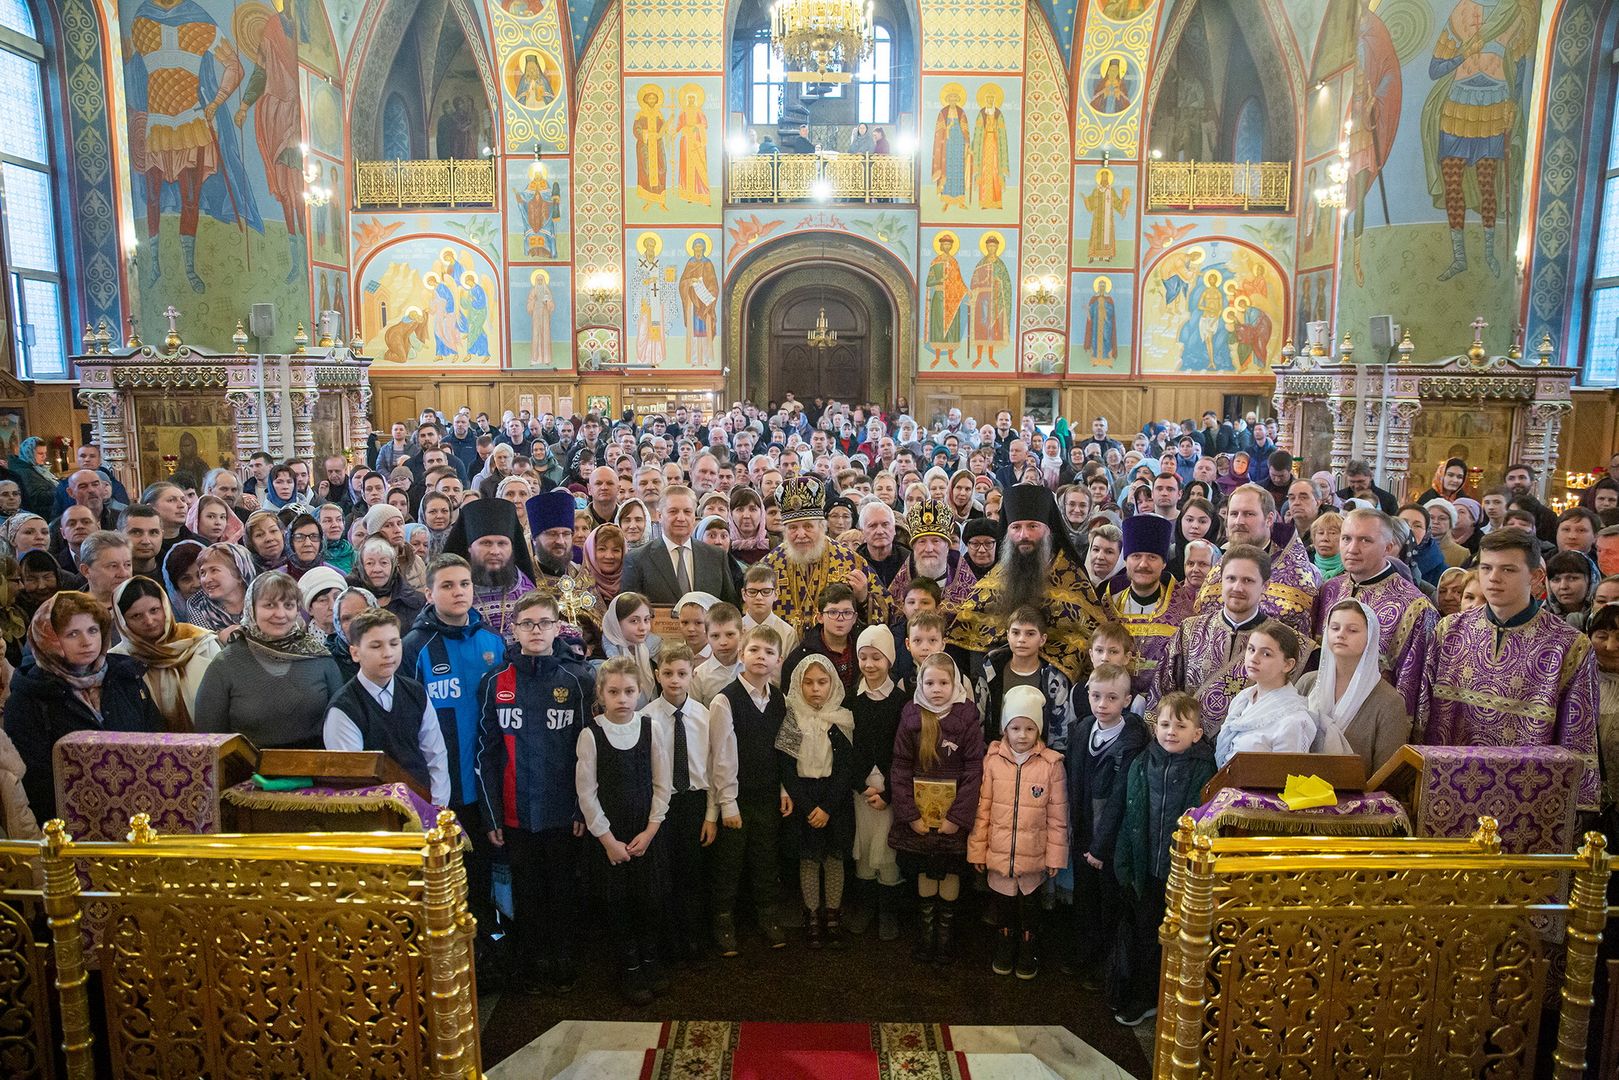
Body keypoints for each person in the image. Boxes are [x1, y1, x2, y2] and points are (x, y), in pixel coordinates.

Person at [1420, 528, 1600, 811]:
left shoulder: (1569, 646)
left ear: (1536, 577)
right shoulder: (1450, 630)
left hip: (1529, 802)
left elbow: (1578, 735)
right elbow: (1423, 713)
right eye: (1486, 568)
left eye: (1508, 569)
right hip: (1447, 791)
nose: (1493, 578)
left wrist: (1578, 807)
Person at [475, 590, 594, 994]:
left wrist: (582, 809)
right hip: (515, 811)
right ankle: (532, 961)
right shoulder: (495, 682)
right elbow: (485, 754)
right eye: (527, 624)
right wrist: (490, 816)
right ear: (514, 630)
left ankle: (563, 959)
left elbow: (588, 754)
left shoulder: (578, 679)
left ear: (558, 626)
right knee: (526, 890)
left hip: (564, 811)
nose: (537, 630)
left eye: (545, 622)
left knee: (563, 886)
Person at [5, 591, 163, 822]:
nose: (86, 641)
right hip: (69, 823)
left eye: (92, 630)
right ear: (49, 639)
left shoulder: (126, 678)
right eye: (72, 634)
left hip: (140, 814)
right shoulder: (28, 696)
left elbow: (157, 740)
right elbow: (36, 779)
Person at [1111, 692, 1216, 1027]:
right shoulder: (1143, 763)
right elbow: (1131, 818)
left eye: (1181, 726)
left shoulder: (1204, 770)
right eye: (1165, 723)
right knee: (1144, 935)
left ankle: (1168, 1000)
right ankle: (1141, 996)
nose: (1171, 731)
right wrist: (1124, 864)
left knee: (1177, 941)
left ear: (1196, 734)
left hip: (1180, 875)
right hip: (1147, 871)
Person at [576, 656, 672, 1005]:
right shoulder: (591, 735)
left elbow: (662, 784)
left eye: (629, 691)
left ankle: (650, 957)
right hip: (611, 838)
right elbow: (587, 793)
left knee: (650, 899)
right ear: (601, 694)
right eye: (613, 692)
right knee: (619, 903)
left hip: (645, 832)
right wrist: (607, 839)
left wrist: (651, 830)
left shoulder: (651, 728)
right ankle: (629, 966)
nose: (622, 699)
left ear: (640, 692)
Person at [950, 484, 1109, 681]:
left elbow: (1092, 640)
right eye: (1016, 527)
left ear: (1048, 530)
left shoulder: (1073, 580)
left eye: (1032, 527)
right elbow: (965, 631)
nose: (1023, 535)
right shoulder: (993, 580)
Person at [889, 652, 984, 964]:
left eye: (944, 682)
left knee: (950, 869)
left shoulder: (966, 718)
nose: (937, 688)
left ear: (955, 684)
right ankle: (927, 933)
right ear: (920, 683)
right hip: (919, 815)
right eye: (929, 682)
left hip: (952, 815)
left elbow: (974, 770)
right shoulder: (910, 717)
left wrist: (957, 817)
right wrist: (910, 815)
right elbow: (900, 767)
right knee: (926, 868)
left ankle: (945, 936)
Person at [969, 683, 1068, 981]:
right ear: (1005, 729)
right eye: (1015, 728)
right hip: (999, 856)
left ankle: (1028, 948)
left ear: (1038, 730)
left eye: (1029, 728)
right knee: (1004, 908)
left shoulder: (1051, 765)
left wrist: (1055, 856)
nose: (1022, 735)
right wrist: (977, 849)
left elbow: (1058, 817)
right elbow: (982, 810)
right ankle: (1004, 943)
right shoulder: (993, 761)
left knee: (1030, 910)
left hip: (1033, 860)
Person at [706, 624, 789, 954]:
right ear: (741, 654)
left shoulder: (780, 698)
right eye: (754, 650)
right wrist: (727, 803)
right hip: (737, 798)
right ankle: (723, 919)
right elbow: (721, 756)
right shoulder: (725, 701)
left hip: (768, 793)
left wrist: (784, 788)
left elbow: (784, 748)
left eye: (769, 652)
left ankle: (767, 915)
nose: (761, 657)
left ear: (778, 659)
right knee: (730, 863)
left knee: (765, 859)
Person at [193, 572, 346, 749]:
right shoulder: (225, 664)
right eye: (269, 605)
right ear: (251, 608)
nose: (280, 614)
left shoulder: (319, 657)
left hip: (315, 770)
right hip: (248, 771)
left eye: (288, 605)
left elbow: (340, 725)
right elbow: (209, 739)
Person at [1067, 660, 1148, 984]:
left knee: (1109, 902)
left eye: (1112, 698)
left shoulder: (1131, 739)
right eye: (1096, 696)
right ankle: (1084, 953)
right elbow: (1073, 779)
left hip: (1110, 838)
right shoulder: (1084, 728)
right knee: (1083, 898)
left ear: (1126, 701)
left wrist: (1101, 847)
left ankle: (1106, 964)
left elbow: (1119, 797)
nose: (1103, 705)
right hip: (1084, 827)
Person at [1314, 509, 1437, 718]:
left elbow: (1412, 687)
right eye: (1346, 538)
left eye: (1365, 540)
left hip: (1372, 719)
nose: (1352, 549)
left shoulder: (1415, 607)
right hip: (1322, 710)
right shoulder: (1329, 589)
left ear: (1388, 547)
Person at [323, 608, 450, 805]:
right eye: (376, 646)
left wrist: (437, 807)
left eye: (394, 643)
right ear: (355, 653)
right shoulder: (343, 709)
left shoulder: (415, 691)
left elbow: (436, 755)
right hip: (376, 814)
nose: (388, 653)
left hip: (424, 802)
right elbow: (353, 779)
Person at [777, 652, 857, 949]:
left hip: (833, 799)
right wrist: (809, 806)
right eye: (808, 683)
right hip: (804, 798)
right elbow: (785, 766)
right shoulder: (792, 717)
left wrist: (827, 807)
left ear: (833, 684)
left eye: (822, 682)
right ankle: (811, 914)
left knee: (834, 858)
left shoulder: (841, 718)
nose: (815, 689)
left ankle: (833, 915)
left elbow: (846, 767)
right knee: (808, 859)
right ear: (798, 684)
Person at [1157, 544, 1278, 739]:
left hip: (1249, 752)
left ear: (1265, 586)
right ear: (1220, 581)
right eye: (1231, 579)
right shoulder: (1189, 630)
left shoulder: (1280, 640)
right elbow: (1163, 691)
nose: (1237, 588)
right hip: (1188, 753)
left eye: (1248, 580)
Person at [760, 475, 889, 635]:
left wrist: (863, 598)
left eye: (808, 526)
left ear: (822, 526)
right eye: (793, 528)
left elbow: (888, 612)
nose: (800, 534)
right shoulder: (769, 565)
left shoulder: (850, 561)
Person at [1296, 600, 1412, 775]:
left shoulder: (1389, 702)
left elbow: (1387, 774)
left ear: (1370, 637)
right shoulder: (1307, 683)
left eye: (1352, 630)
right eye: (1335, 628)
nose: (1341, 635)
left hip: (1359, 798)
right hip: (1297, 791)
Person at [848, 624, 905, 941]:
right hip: (861, 791)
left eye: (877, 658)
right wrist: (860, 784)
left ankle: (888, 913)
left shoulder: (900, 702)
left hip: (888, 794)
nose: (869, 664)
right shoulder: (851, 700)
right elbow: (847, 748)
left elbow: (903, 753)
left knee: (887, 852)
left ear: (889, 661)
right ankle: (865, 906)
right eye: (864, 657)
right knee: (864, 848)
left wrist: (889, 793)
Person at [109, 576, 221, 733]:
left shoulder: (200, 643)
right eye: (136, 616)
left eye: (154, 610)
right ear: (123, 622)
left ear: (165, 607)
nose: (149, 621)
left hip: (209, 744)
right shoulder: (117, 660)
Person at [1216, 620, 1317, 766]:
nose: (1254, 659)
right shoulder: (1243, 699)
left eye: (1266, 654)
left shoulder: (1293, 720)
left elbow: (1283, 778)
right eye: (1251, 649)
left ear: (1288, 664)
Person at [974, 604, 1074, 751]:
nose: (1021, 639)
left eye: (1030, 634)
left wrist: (1052, 760)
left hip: (1040, 758)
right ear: (1007, 635)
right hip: (996, 753)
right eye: (1016, 633)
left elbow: (1061, 726)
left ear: (1042, 639)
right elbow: (979, 716)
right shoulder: (991, 670)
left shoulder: (1053, 678)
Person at [349, 537, 426, 630]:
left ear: (393, 566)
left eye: (384, 563)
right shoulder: (349, 600)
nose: (377, 569)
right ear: (361, 567)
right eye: (370, 563)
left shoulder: (416, 601)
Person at [186, 543, 256, 632]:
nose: (206, 580)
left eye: (214, 570)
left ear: (239, 574)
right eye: (202, 573)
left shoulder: (262, 599)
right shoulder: (198, 610)